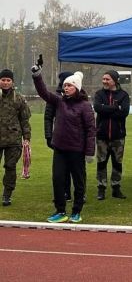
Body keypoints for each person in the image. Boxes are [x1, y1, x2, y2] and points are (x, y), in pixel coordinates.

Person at [31, 66, 95, 223]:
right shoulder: (59, 101)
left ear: (77, 87)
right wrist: (37, 76)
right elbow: (43, 93)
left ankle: (76, 211)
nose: (66, 88)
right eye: (65, 85)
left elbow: (91, 130)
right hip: (59, 149)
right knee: (58, 179)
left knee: (79, 181)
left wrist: (89, 152)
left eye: (70, 85)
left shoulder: (85, 106)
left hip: (77, 150)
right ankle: (60, 211)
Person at [93, 70, 130, 200]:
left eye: (107, 79)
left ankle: (116, 188)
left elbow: (124, 112)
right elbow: (98, 108)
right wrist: (115, 107)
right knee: (101, 163)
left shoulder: (123, 95)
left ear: (115, 80)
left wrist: (106, 109)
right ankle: (101, 188)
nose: (104, 81)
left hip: (118, 137)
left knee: (117, 163)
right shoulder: (99, 94)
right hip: (102, 136)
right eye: (103, 79)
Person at [0, 69, 31, 207]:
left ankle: (7, 195)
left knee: (10, 167)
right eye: (3, 80)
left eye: (8, 80)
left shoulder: (18, 98)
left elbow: (24, 120)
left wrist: (27, 138)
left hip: (14, 140)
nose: (5, 82)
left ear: (12, 82)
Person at [44, 71, 74, 201]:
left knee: (77, 169)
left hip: (76, 139)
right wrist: (48, 136)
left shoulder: (79, 97)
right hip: (60, 138)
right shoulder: (54, 98)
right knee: (61, 170)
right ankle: (64, 193)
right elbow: (48, 117)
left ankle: (80, 193)